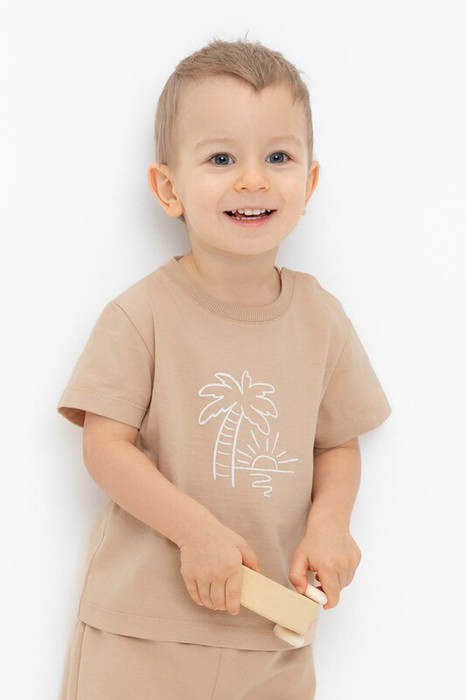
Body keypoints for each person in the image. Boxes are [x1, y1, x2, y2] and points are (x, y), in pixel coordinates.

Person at [58, 37, 391, 700]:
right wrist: (197, 532)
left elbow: (338, 442)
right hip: (141, 631)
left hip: (273, 636)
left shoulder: (322, 318)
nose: (253, 180)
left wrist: (331, 523)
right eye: (221, 158)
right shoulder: (141, 314)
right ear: (168, 188)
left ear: (309, 183)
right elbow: (104, 446)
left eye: (278, 157)